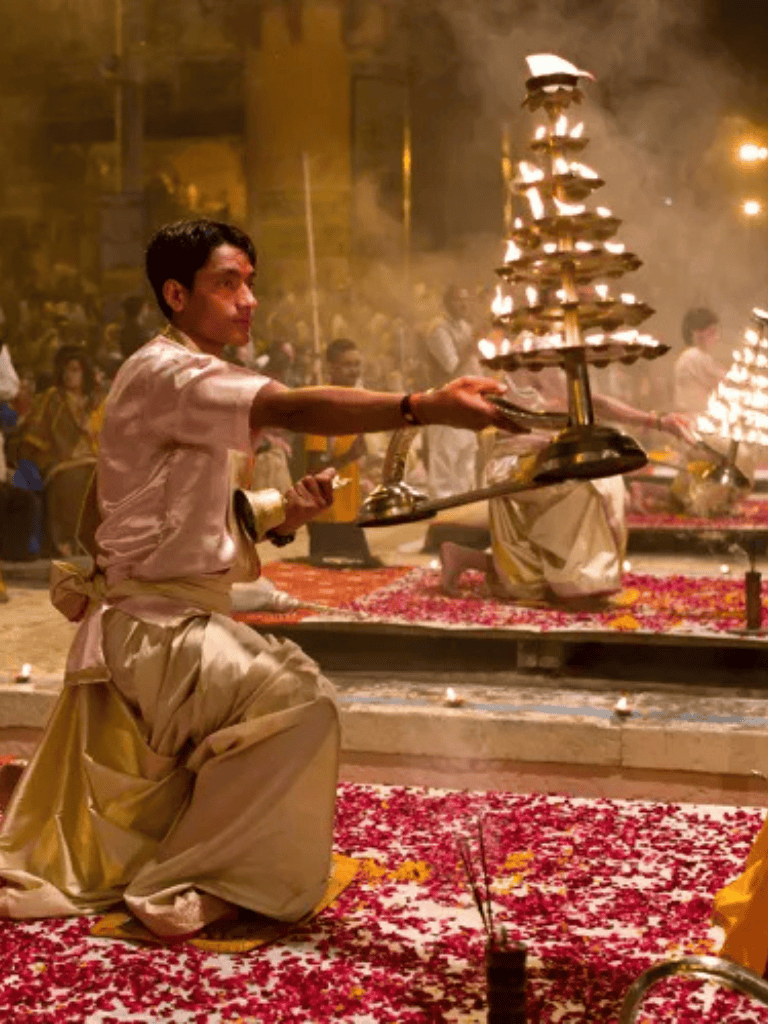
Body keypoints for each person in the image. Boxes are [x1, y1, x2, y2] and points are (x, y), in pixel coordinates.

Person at [0, 218, 516, 939]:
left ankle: (198, 850)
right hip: (155, 632)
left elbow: (131, 514)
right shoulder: (170, 371)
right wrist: (420, 407)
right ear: (176, 294)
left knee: (270, 684)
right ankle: (199, 876)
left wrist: (279, 512)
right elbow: (289, 406)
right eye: (227, 283)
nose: (247, 300)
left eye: (250, 283)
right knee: (299, 699)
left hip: (158, 620)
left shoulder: (170, 374)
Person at [440, 360, 693, 602]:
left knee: (595, 490)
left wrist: (655, 421)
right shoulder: (534, 355)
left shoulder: (550, 353)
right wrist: (655, 421)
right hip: (516, 463)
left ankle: (463, 557)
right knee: (590, 488)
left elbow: (587, 405)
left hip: (546, 458)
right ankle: (579, 582)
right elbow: (592, 405)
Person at [18, 346, 100, 557]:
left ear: (85, 374)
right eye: (66, 370)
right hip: (62, 462)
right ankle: (67, 543)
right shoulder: (52, 398)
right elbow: (35, 431)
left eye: (74, 370)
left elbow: (112, 436)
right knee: (75, 479)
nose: (68, 375)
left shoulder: (97, 402)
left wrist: (90, 433)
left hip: (95, 459)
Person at [304, 338, 379, 566]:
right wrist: (350, 457)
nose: (354, 370)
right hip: (328, 519)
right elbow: (315, 469)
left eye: (357, 364)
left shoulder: (354, 403)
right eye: (348, 364)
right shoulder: (322, 405)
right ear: (332, 368)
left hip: (349, 514)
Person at [424, 285, 482, 498]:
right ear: (447, 304)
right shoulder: (438, 329)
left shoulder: (465, 327)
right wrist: (473, 343)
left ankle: (463, 506)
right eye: (458, 300)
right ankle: (443, 512)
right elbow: (451, 367)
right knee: (445, 460)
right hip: (445, 402)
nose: (464, 305)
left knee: (466, 457)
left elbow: (475, 367)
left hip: (467, 401)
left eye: (466, 300)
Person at [673, 307, 726, 416]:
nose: (717, 338)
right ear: (697, 334)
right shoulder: (694, 356)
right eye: (712, 332)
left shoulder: (690, 356)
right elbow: (725, 383)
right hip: (694, 419)